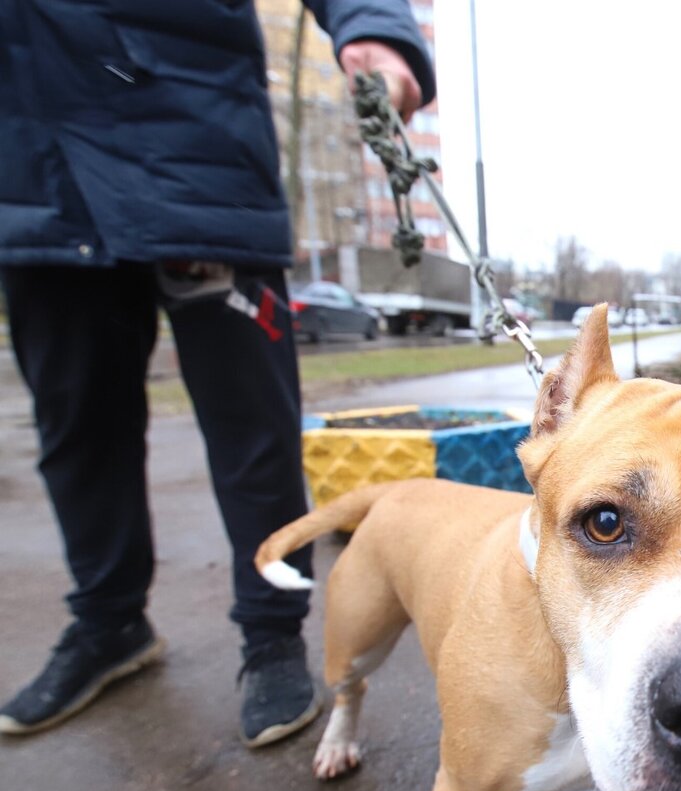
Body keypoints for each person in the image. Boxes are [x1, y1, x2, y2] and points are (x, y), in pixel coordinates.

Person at [0, 1, 435, 744]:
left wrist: (378, 30)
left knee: (252, 430)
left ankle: (271, 635)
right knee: (76, 424)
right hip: (37, 179)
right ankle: (108, 622)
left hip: (199, 158)